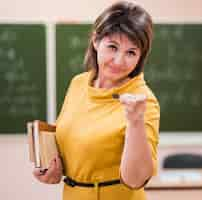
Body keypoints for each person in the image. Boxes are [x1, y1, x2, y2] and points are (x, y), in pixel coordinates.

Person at [32, 1, 160, 200]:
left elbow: (137, 179)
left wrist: (135, 121)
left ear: (140, 57)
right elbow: (73, 142)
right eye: (112, 47)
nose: (119, 61)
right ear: (95, 41)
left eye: (131, 53)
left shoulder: (143, 101)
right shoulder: (79, 83)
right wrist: (53, 168)